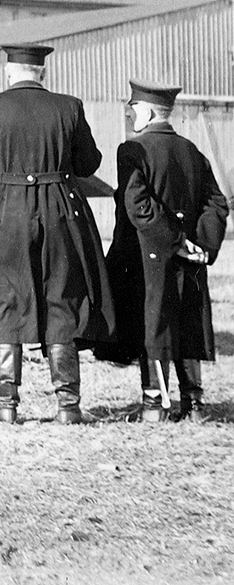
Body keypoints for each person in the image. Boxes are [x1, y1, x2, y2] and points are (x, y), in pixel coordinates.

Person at [0, 44, 115, 424]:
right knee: (63, 298)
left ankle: (6, 405)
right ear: (42, 73)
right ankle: (68, 406)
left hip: (3, 210)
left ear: (9, 72)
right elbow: (90, 163)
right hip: (60, 209)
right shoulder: (69, 107)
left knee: (6, 297)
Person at [102, 81, 228, 423]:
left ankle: (155, 405)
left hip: (149, 254)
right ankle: (194, 404)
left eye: (133, 109)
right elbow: (217, 203)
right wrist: (201, 245)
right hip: (189, 257)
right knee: (189, 322)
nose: (130, 115)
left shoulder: (131, 150)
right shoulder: (191, 151)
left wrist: (175, 243)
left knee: (154, 325)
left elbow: (138, 205)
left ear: (146, 112)